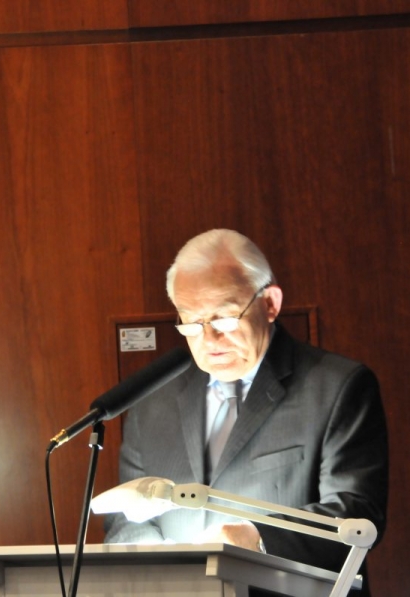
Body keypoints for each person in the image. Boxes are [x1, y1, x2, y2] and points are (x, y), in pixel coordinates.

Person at [104, 229, 388, 594]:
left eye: (224, 319)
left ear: (270, 303)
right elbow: (124, 521)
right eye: (191, 322)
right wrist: (169, 569)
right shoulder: (152, 402)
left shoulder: (336, 387)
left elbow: (356, 512)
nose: (209, 340)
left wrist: (256, 538)